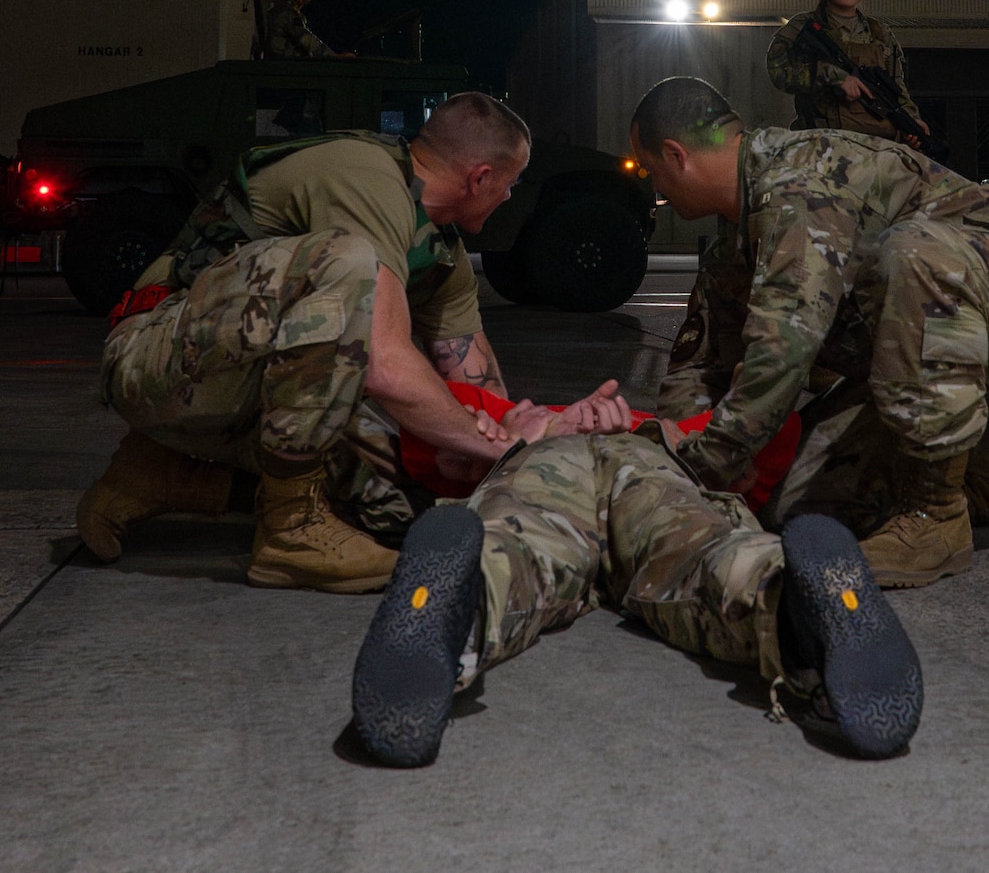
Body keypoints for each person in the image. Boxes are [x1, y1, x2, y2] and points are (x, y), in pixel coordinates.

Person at [76, 93, 625, 592]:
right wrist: (491, 446)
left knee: (406, 505)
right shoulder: (365, 177)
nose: (510, 196)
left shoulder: (441, 255)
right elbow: (384, 363)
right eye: (511, 183)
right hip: (152, 361)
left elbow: (477, 388)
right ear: (481, 178)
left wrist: (509, 442)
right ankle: (289, 530)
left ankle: (165, 477)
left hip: (238, 386)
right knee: (346, 263)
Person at [627, 77, 989, 589]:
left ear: (677, 155)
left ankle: (934, 515)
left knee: (911, 253)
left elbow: (783, 348)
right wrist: (682, 468)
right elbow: (696, 373)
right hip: (959, 360)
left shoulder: (801, 184)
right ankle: (985, 482)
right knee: (791, 501)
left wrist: (713, 465)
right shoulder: (732, 251)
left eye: (652, 171)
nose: (655, 188)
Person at [348, 433, 925, 767]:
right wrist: (508, 425)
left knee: (521, 546)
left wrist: (517, 429)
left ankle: (464, 611)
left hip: (563, 460)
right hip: (627, 458)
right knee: (699, 550)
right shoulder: (515, 417)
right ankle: (786, 600)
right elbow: (432, 437)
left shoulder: (540, 425)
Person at [766, 0, 933, 147]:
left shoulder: (880, 33)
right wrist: (831, 76)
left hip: (878, 147)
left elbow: (897, 87)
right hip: (822, 146)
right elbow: (778, 71)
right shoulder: (804, 27)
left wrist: (911, 120)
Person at [264, 0, 354, 59]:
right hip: (280, 63)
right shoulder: (285, 12)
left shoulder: (298, 15)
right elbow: (304, 38)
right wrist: (333, 56)